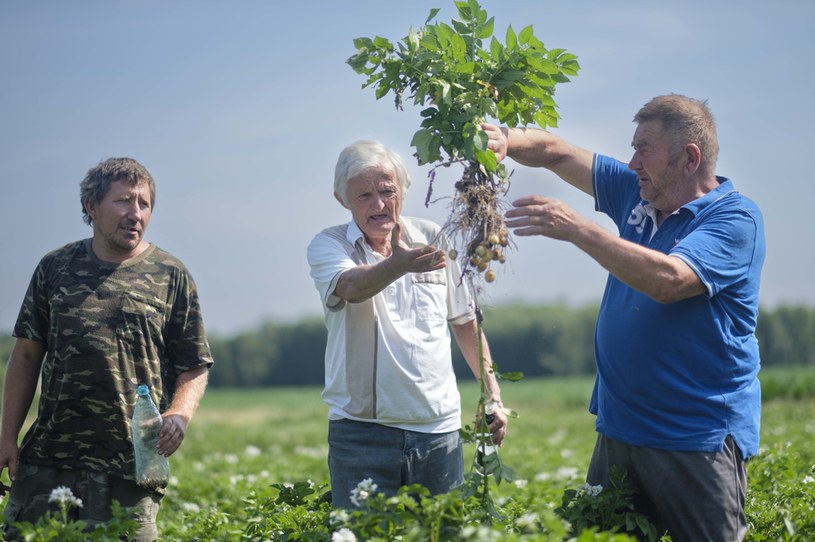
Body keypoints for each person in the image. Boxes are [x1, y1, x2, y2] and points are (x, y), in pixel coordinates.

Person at [482, 94, 765, 541]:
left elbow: (670, 281)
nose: (632, 162)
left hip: (693, 437)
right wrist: (504, 139)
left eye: (644, 149)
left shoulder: (733, 220)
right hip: (620, 431)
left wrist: (579, 229)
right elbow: (556, 151)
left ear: (689, 158)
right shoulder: (637, 194)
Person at [0, 157, 213, 541]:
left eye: (144, 204)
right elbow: (27, 355)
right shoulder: (54, 268)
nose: (135, 213)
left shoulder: (170, 274)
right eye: (123, 201)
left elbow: (195, 363)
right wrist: (7, 437)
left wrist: (179, 414)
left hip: (130, 467)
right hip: (49, 461)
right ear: (91, 207)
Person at [307, 140, 508, 509]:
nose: (378, 204)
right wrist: (398, 264)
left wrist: (491, 394)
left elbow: (465, 322)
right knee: (359, 535)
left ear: (403, 190)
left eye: (387, 191)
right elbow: (351, 287)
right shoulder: (330, 245)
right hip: (360, 433)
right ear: (342, 199)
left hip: (439, 431)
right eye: (364, 195)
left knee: (441, 536)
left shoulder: (432, 236)